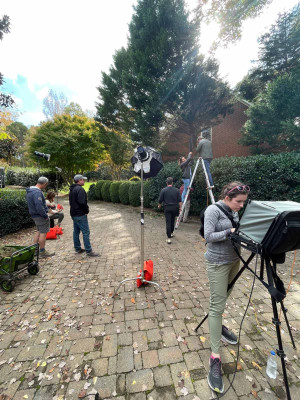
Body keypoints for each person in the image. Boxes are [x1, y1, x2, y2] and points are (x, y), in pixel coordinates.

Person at [204, 181, 250, 393]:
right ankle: (215, 357)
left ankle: (218, 326)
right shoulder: (213, 210)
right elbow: (208, 236)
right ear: (228, 197)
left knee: (223, 299)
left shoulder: (235, 211)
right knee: (216, 306)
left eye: (243, 202)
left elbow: (238, 230)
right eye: (238, 202)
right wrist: (229, 231)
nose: (241, 205)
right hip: (217, 263)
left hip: (234, 261)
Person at [69, 174, 99, 257]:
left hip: (74, 213)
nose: (84, 181)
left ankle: (77, 248)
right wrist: (86, 210)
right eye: (83, 180)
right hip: (80, 214)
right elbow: (82, 202)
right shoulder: (80, 189)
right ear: (79, 180)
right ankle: (89, 251)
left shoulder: (72, 189)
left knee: (76, 231)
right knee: (86, 232)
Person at [26, 177, 55, 258]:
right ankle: (42, 252)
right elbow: (39, 206)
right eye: (46, 184)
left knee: (38, 231)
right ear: (44, 183)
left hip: (34, 215)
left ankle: (35, 250)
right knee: (43, 233)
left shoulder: (30, 191)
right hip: (40, 216)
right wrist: (45, 216)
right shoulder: (37, 192)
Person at [158, 177, 182, 244]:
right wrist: (180, 208)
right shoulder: (177, 190)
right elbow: (180, 200)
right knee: (172, 220)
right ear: (172, 183)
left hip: (167, 208)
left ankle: (168, 238)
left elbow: (160, 199)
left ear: (166, 183)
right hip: (175, 208)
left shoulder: (163, 190)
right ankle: (171, 233)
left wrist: (159, 205)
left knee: (168, 222)